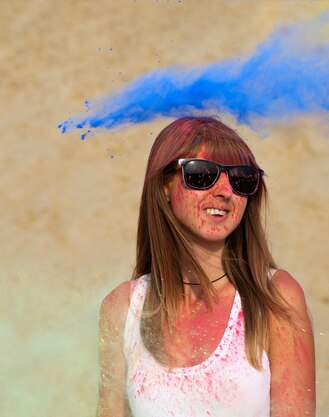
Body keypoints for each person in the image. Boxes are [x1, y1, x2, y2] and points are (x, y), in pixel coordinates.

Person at [96, 116, 315, 417]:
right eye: (201, 175)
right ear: (163, 186)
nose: (225, 191)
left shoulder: (275, 297)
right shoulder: (122, 309)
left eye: (241, 179)